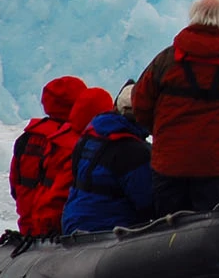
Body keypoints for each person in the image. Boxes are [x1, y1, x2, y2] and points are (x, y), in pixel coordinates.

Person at [131, 0, 219, 214]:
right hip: (214, 165)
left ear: (193, 17)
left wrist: (162, 133)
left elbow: (140, 102)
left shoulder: (167, 58)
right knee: (212, 230)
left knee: (168, 229)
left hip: (170, 162)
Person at [61, 82, 157, 233]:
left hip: (72, 222)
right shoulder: (134, 151)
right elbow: (147, 202)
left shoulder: (89, 136)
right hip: (108, 228)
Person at [8, 76, 86, 236]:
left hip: (27, 226)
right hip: (57, 231)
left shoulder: (26, 138)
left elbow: (15, 186)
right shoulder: (70, 142)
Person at [34, 87, 115, 235]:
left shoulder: (58, 139)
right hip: (59, 228)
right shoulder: (80, 148)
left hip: (38, 223)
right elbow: (60, 194)